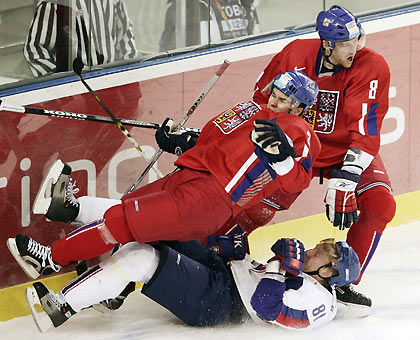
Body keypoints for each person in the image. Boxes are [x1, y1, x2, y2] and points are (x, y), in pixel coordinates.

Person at [7, 70, 321, 281]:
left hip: (211, 198)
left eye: (284, 98)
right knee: (127, 208)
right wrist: (181, 140)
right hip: (190, 175)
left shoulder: (299, 132)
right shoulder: (252, 109)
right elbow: (214, 141)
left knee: (125, 222)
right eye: (276, 93)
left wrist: (282, 159)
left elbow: (298, 180)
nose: (275, 100)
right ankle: (108, 285)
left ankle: (52, 258)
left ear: (300, 106)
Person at [251, 5, 395, 310]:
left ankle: (341, 285)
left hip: (345, 153)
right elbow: (262, 100)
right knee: (250, 204)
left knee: (381, 204)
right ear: (327, 44)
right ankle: (218, 255)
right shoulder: (294, 54)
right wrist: (283, 142)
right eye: (345, 43)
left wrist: (347, 179)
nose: (354, 47)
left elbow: (366, 130)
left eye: (357, 39)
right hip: (298, 147)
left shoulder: (372, 66)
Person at [25, 237, 360, 332]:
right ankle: (108, 288)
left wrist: (277, 269)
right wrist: (234, 252)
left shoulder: (320, 303)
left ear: (330, 273)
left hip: (218, 303)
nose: (316, 247)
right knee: (157, 227)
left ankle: (61, 307)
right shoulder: (307, 273)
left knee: (141, 257)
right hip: (224, 276)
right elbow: (263, 274)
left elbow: (265, 307)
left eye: (325, 252)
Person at [24, 0, 137, 76]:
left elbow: (125, 35)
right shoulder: (52, 3)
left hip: (112, 79)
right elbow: (35, 51)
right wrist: (61, 83)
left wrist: (128, 72)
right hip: (76, 88)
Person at [159, 0, 261, 51]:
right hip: (207, 78)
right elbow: (168, 55)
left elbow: (258, 45)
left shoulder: (246, 4)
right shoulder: (186, 7)